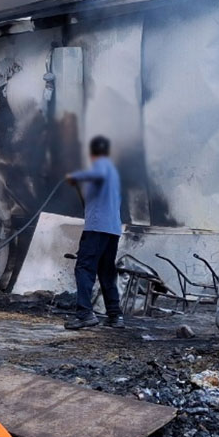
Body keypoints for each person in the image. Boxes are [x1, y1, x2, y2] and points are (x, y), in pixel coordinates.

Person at [64, 135, 124, 330]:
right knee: (106, 271)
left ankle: (84, 314)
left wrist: (76, 177)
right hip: (112, 229)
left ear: (93, 154)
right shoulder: (113, 174)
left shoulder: (102, 167)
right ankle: (115, 315)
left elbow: (95, 175)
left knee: (84, 268)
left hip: (97, 228)